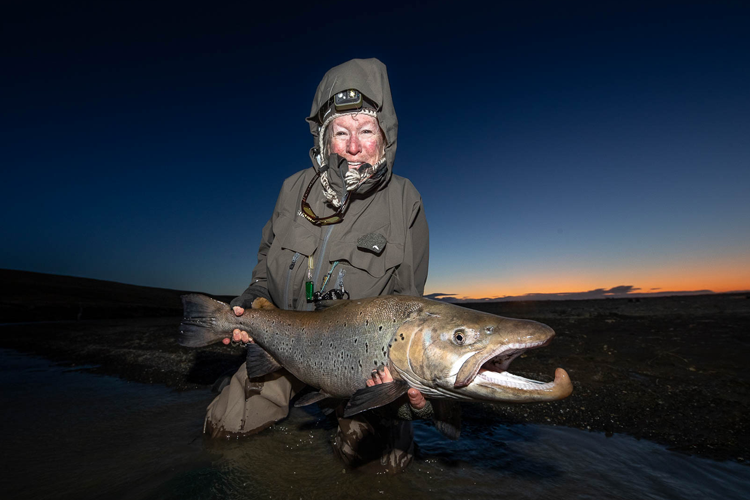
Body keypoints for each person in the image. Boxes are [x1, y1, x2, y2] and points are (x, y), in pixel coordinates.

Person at [204, 58, 430, 473]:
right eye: (341, 132)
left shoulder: (404, 200)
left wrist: (406, 387)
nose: (353, 145)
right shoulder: (292, 189)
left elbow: (408, 307)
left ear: (386, 136)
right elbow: (262, 271)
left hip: (357, 365)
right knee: (223, 429)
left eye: (366, 131)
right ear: (324, 138)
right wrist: (246, 305)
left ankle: (354, 418)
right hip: (282, 344)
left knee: (378, 464)